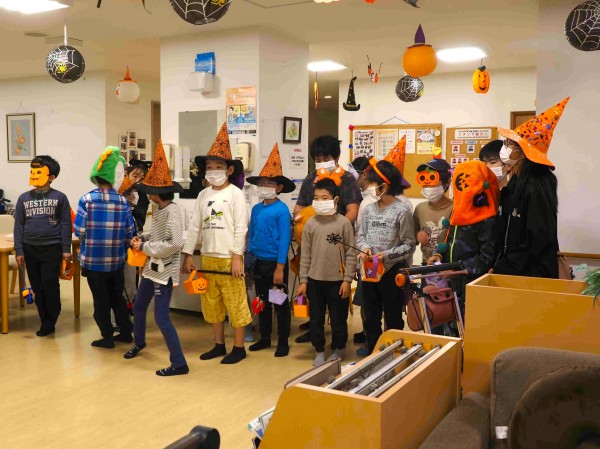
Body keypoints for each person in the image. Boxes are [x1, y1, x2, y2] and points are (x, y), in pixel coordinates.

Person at [181, 123, 252, 365]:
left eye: (218, 167)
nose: (213, 171)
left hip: (229, 258)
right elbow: (195, 226)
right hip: (208, 257)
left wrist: (236, 256)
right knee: (211, 303)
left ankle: (239, 347)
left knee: (236, 303)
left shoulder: (235, 194)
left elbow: (241, 227)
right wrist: (188, 254)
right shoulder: (203, 195)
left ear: (229, 170)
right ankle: (218, 344)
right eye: (209, 167)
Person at [123, 142, 188, 376]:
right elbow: (159, 235)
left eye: (149, 191)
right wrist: (143, 237)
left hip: (164, 272)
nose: (147, 195)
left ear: (158, 194)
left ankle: (179, 363)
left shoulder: (174, 212)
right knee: (139, 307)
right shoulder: (161, 210)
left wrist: (145, 246)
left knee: (161, 318)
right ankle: (139, 342)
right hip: (152, 269)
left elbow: (176, 243)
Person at [293, 135, 362, 343]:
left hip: (337, 242)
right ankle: (315, 328)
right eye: (318, 158)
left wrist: (337, 228)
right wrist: (301, 223)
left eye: (326, 158)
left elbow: (353, 210)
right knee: (313, 288)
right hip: (313, 239)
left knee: (336, 292)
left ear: (336, 157)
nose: (322, 162)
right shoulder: (310, 179)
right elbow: (299, 208)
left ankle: (338, 333)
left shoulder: (348, 179)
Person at [493, 97, 569, 279]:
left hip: (532, 275)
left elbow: (538, 238)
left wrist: (505, 267)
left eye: (511, 144)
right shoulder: (515, 183)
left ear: (525, 151)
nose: (506, 148)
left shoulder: (537, 185)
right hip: (512, 271)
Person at [428, 161, 500, 334]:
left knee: (467, 329)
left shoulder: (487, 218)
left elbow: (487, 257)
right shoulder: (458, 210)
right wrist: (439, 255)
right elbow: (449, 239)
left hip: (472, 284)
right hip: (451, 281)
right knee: (445, 326)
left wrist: (458, 270)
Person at [74, 147, 135, 348]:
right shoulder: (123, 202)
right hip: (116, 261)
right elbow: (130, 233)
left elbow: (79, 231)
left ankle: (107, 337)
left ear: (96, 176)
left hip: (93, 262)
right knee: (117, 297)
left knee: (100, 301)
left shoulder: (86, 200)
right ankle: (125, 332)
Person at [356, 160, 416, 354]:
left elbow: (409, 245)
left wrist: (387, 256)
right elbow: (360, 236)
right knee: (371, 316)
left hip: (392, 271)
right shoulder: (368, 209)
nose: (370, 187)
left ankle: (393, 353)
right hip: (370, 268)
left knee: (393, 317)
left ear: (384, 186)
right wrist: (365, 248)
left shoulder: (402, 210)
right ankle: (374, 352)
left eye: (373, 183)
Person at [296, 178, 357, 366]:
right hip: (315, 280)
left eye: (324, 198)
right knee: (316, 318)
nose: (319, 201)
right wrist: (303, 281)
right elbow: (305, 254)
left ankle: (339, 348)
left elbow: (351, 253)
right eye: (316, 198)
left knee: (338, 318)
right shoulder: (310, 224)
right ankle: (319, 350)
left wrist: (347, 280)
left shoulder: (343, 223)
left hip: (338, 281)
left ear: (335, 200)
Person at [13, 155, 72, 337]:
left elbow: (66, 224)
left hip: (51, 248)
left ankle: (51, 318)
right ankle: (44, 320)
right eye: (33, 171)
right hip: (30, 248)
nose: (34, 174)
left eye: (39, 171)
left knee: (49, 283)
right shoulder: (23, 198)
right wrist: (19, 250)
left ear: (51, 176)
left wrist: (66, 249)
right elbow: (19, 225)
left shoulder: (60, 197)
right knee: (37, 286)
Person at [246, 144, 295, 357]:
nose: (264, 186)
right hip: (258, 263)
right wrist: (249, 260)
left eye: (269, 183)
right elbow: (252, 236)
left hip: (275, 265)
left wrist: (280, 268)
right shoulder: (256, 209)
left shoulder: (282, 210)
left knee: (279, 303)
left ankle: (282, 341)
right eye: (261, 183)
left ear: (279, 188)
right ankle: (265, 337)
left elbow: (285, 240)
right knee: (261, 301)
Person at [413, 159, 454, 265]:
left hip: (447, 267)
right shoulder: (420, 209)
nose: (427, 185)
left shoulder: (454, 208)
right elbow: (412, 240)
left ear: (447, 182)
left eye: (432, 179)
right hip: (426, 265)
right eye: (423, 179)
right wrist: (418, 236)